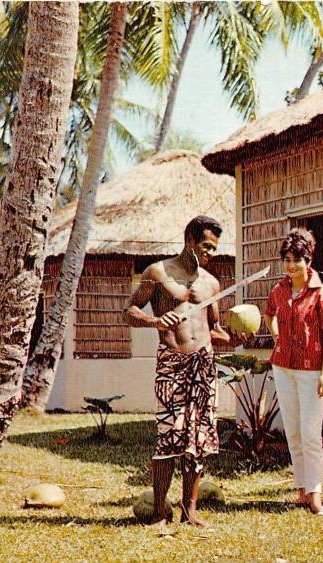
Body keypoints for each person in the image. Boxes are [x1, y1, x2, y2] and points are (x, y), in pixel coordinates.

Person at [123, 215, 243, 527]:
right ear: (189, 239)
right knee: (168, 436)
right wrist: (155, 321)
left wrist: (237, 338)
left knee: (198, 439)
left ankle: (190, 511)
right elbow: (130, 311)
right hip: (172, 362)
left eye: (215, 248)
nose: (210, 253)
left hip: (203, 365)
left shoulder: (211, 283)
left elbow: (214, 331)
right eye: (206, 246)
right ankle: (160, 510)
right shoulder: (158, 273)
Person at [263, 228, 323, 518]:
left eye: (297, 259)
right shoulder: (279, 290)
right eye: (287, 259)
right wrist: (276, 336)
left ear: (308, 260)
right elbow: (268, 313)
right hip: (283, 367)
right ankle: (301, 492)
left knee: (310, 434)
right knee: (293, 432)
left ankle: (316, 498)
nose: (291, 265)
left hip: (311, 371)